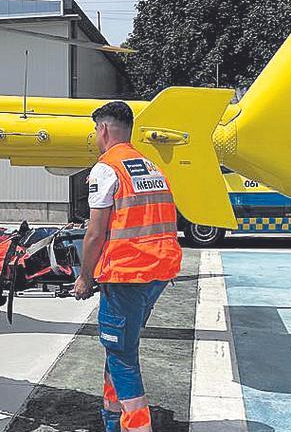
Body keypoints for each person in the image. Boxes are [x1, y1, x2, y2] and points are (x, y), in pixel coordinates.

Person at [73, 101, 182, 432]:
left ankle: (136, 426)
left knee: (121, 355)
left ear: (103, 129)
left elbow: (95, 233)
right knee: (117, 346)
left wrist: (84, 277)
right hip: (157, 272)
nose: (95, 136)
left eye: (95, 130)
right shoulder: (149, 166)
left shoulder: (107, 168)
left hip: (126, 275)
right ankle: (111, 417)